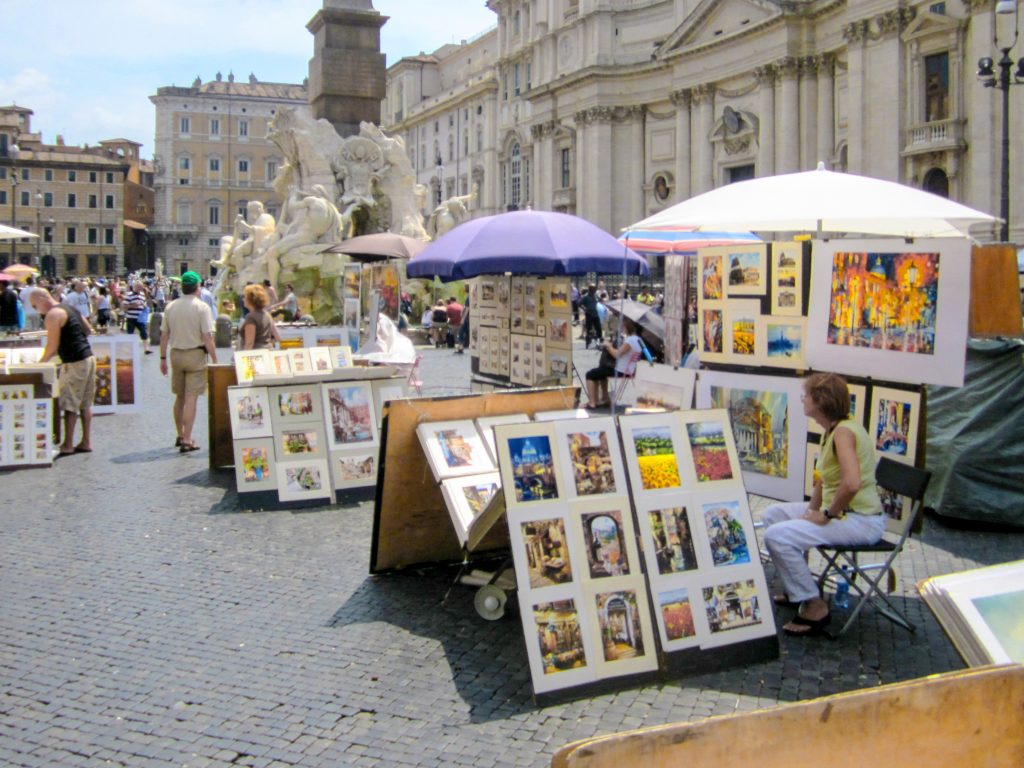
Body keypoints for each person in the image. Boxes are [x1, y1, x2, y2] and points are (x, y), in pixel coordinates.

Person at [761, 373, 884, 637]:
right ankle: (799, 589)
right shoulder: (832, 430)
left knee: (776, 536)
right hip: (843, 513)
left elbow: (851, 484)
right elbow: (824, 480)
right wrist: (810, 512)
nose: (802, 399)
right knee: (773, 515)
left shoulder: (843, 434)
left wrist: (826, 514)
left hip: (860, 520)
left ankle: (815, 606)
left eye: (807, 395)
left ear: (820, 401)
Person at [29, 288, 95, 455]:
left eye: (35, 306)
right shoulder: (69, 308)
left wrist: (38, 365)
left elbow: (52, 347)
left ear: (43, 299)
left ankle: (68, 444)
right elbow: (88, 329)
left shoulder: (53, 315)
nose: (37, 311)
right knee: (85, 403)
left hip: (74, 361)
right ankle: (86, 441)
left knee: (69, 403)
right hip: (88, 356)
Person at [159, 271, 218, 453]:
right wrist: (215, 359)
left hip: (176, 354)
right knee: (191, 397)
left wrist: (162, 358)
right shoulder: (202, 308)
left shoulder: (171, 306)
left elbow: (164, 335)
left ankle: (179, 433)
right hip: (195, 355)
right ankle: (187, 439)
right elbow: (207, 337)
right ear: (198, 287)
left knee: (179, 397)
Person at [585, 317, 642, 408]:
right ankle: (605, 398)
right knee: (602, 370)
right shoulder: (638, 339)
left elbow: (617, 355)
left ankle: (592, 402)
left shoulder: (630, 340)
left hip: (621, 371)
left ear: (628, 328)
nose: (623, 329)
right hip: (630, 369)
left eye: (624, 327)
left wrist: (608, 346)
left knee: (590, 374)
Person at [238, 283, 280, 350]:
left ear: (251, 299)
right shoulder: (267, 315)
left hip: (256, 355)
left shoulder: (251, 317)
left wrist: (243, 357)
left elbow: (249, 343)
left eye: (245, 297)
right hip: (269, 351)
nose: (243, 299)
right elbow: (277, 337)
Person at [122, 280, 152, 353]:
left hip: (140, 318)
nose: (140, 289)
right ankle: (129, 349)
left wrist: (144, 306)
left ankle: (146, 349)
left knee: (144, 332)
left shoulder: (142, 295)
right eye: (139, 287)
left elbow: (143, 303)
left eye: (141, 287)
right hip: (131, 317)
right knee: (130, 333)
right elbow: (124, 306)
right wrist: (133, 305)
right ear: (135, 287)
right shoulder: (129, 295)